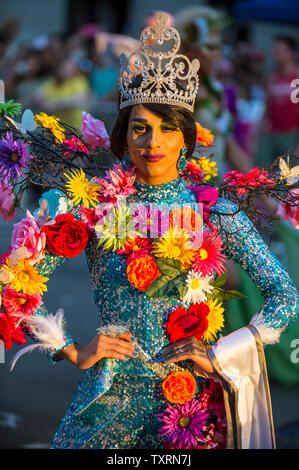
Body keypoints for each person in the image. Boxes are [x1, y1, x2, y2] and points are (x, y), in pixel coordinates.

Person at [0, 13, 298, 450]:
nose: (151, 142)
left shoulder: (212, 210)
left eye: (166, 128)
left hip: (189, 409)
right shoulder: (96, 204)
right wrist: (71, 349)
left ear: (186, 137)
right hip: (105, 401)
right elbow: (13, 286)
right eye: (139, 128)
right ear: (124, 135)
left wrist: (220, 355)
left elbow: (285, 294)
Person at [256, 35, 299, 169]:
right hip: (271, 134)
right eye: (275, 49)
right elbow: (267, 106)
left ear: (292, 53)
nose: (276, 53)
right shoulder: (272, 78)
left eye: (281, 49)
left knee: (288, 181)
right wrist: (257, 133)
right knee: (263, 175)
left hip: (291, 136)